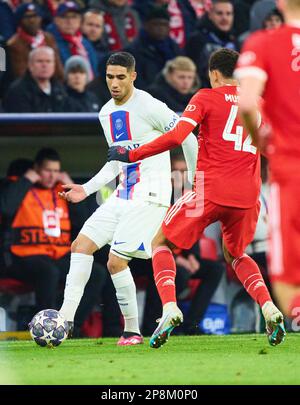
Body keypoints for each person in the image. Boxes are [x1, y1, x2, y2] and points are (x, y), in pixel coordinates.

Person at [107, 48, 285, 348]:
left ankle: (169, 309)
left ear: (214, 74)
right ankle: (268, 307)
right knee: (236, 255)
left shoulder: (205, 96)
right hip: (247, 197)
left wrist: (132, 153)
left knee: (160, 243)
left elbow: (177, 137)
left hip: (209, 192)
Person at [58, 51, 198, 346]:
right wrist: (87, 188)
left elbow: (187, 136)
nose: (115, 83)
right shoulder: (106, 112)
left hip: (151, 195)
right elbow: (116, 160)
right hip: (123, 193)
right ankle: (64, 320)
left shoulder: (149, 105)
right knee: (81, 246)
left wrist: (195, 179)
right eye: (110, 77)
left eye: (121, 77)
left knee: (115, 262)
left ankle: (132, 331)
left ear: (133, 76)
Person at [235, 0, 300, 320]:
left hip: (290, 166)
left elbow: (246, 103)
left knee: (287, 278)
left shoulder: (263, 43)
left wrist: (258, 138)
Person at [0, 148, 107, 335]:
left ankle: (72, 327)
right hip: (23, 255)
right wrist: (27, 180)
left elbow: (82, 222)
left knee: (96, 273)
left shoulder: (61, 191)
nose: (52, 176)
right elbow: (6, 209)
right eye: (47, 170)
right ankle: (46, 329)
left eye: (56, 171)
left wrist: (69, 187)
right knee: (48, 272)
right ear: (35, 170)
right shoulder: (19, 186)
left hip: (57, 254)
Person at [124, 5, 182, 90]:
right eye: (156, 24)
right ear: (146, 26)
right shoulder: (134, 50)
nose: (161, 28)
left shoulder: (175, 49)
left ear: (169, 27)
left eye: (164, 25)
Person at [185, 0, 237, 88]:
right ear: (210, 15)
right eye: (219, 13)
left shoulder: (235, 41)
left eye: (228, 14)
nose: (224, 18)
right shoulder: (197, 40)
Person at [6, 3, 64, 81]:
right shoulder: (14, 44)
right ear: (20, 20)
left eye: (35, 16)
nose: (32, 20)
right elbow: (21, 75)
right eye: (27, 17)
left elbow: (58, 69)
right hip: (29, 89)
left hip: (54, 86)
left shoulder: (49, 38)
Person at [3, 46, 69, 113]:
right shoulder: (18, 90)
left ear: (54, 65)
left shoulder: (60, 89)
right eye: (40, 61)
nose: (44, 65)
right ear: (30, 65)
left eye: (48, 61)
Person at [46, 1, 98, 77]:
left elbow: (95, 70)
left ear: (80, 20)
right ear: (56, 20)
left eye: (74, 17)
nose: (69, 21)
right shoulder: (50, 42)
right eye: (64, 17)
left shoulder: (85, 42)